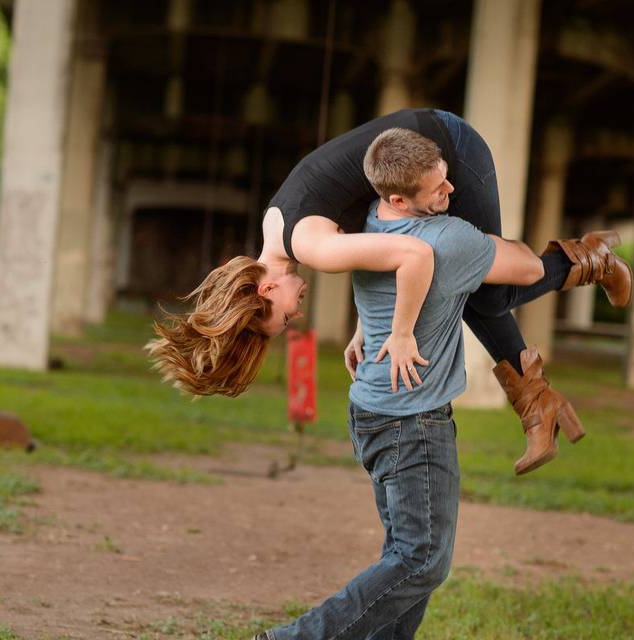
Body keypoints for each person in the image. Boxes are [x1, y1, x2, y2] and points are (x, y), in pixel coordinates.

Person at [146, 109, 632, 474]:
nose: (295, 315)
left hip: (446, 152)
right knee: (476, 294)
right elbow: (370, 236)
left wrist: (399, 334)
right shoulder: (280, 230)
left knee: (487, 295)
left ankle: (591, 262)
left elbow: (411, 256)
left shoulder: (312, 247)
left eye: (282, 317)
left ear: (266, 287)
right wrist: (365, 325)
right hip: (419, 146)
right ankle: (537, 402)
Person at [252, 128, 587, 640]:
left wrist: (373, 324)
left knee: (406, 557)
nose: (453, 194)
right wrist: (400, 332)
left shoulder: (366, 226)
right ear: (399, 196)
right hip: (414, 423)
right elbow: (525, 266)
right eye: (440, 189)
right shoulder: (447, 241)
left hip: (370, 412)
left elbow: (384, 263)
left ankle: (534, 394)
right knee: (423, 561)